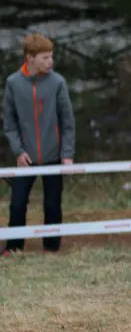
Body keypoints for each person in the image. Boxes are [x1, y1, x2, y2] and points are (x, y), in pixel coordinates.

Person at [2, 33, 75, 256]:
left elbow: (67, 121)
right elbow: (9, 123)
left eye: (51, 57)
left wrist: (67, 154)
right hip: (26, 157)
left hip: (54, 155)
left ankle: (51, 247)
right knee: (17, 203)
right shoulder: (13, 83)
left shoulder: (57, 83)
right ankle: (14, 248)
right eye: (45, 57)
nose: (50, 62)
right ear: (30, 58)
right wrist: (19, 151)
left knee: (52, 204)